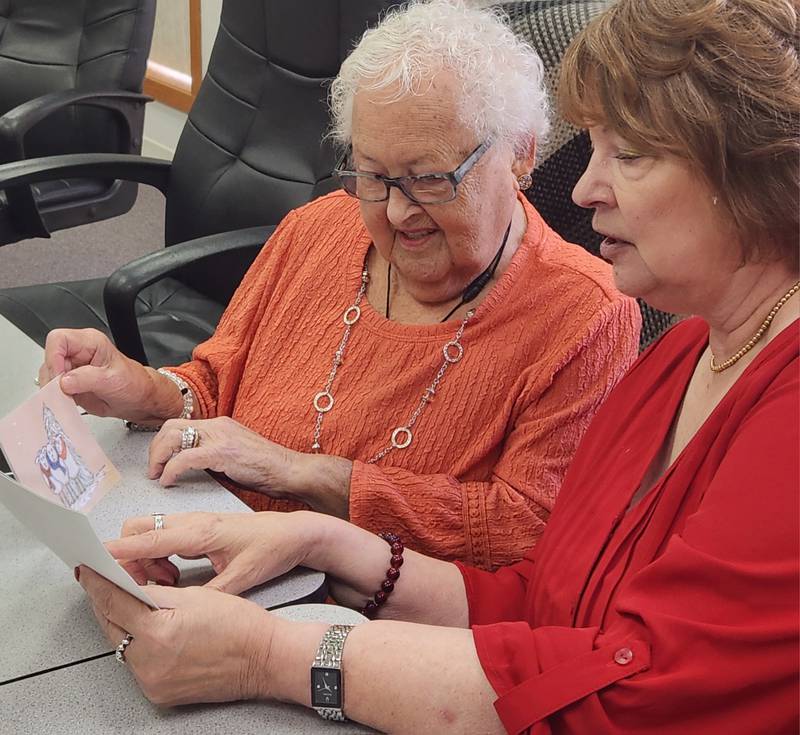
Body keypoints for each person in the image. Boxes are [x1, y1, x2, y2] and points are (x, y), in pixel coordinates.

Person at [79, 0, 798, 731]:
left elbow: (624, 694)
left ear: (750, 167)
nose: (582, 190)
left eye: (630, 155)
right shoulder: (682, 355)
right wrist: (320, 540)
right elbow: (548, 601)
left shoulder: (746, 387)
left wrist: (270, 655)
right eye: (372, 175)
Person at [38, 1, 639, 569]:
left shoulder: (584, 315)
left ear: (520, 156)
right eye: (373, 176)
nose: (398, 213)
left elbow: (525, 529)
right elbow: (219, 385)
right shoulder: (322, 226)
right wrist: (143, 388)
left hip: (354, 617)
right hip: (208, 541)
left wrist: (301, 473)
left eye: (429, 180)